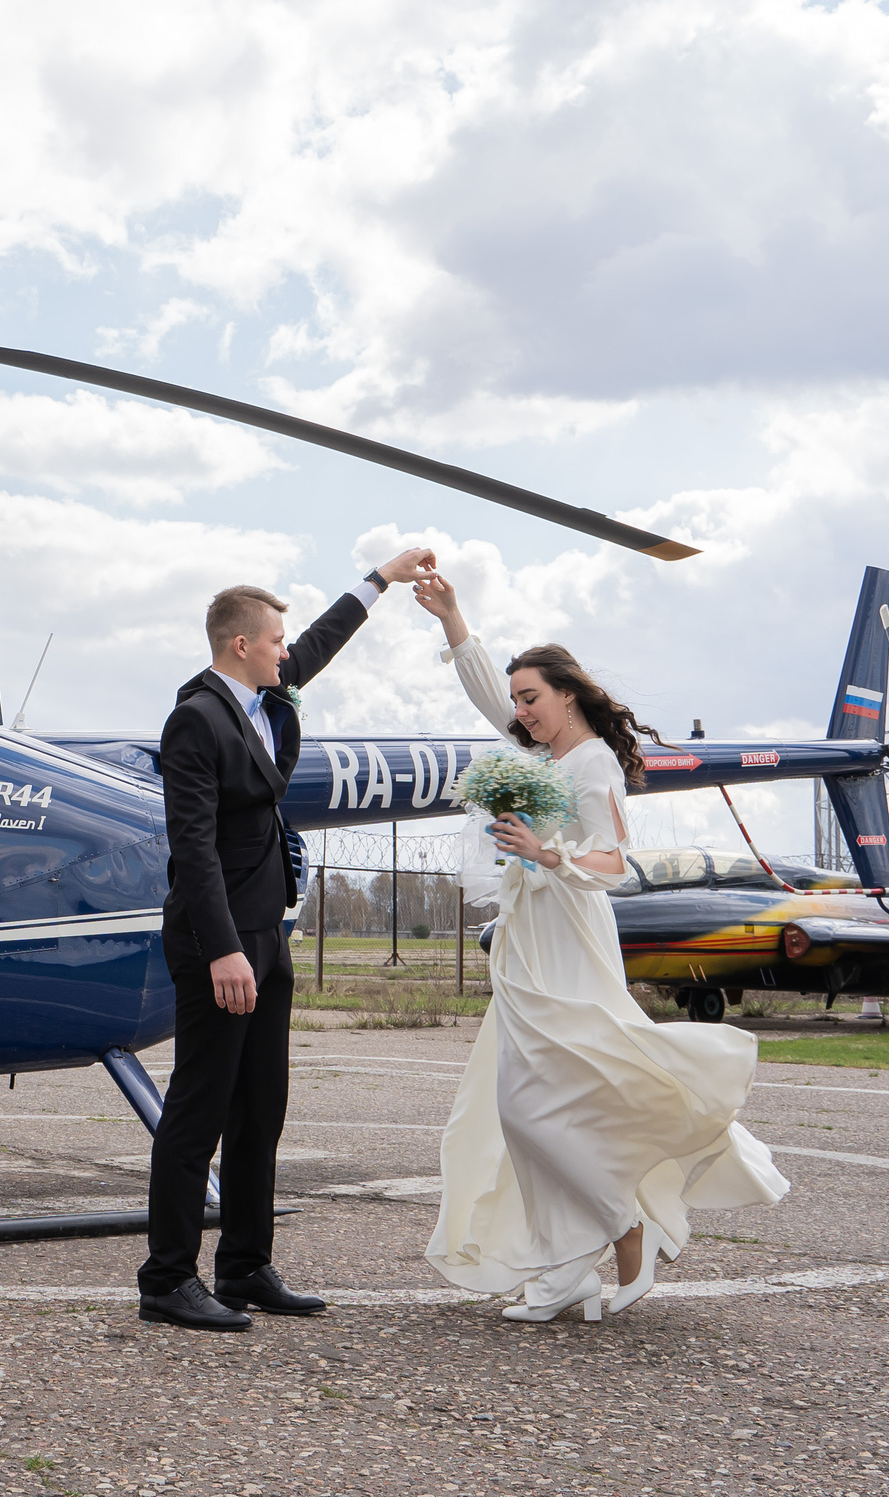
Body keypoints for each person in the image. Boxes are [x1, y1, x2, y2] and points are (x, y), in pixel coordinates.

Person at [413, 573, 789, 1322]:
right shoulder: (540, 754)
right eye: (517, 700)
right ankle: (565, 1273)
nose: (520, 711)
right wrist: (454, 618)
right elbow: (486, 694)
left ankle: (624, 1224)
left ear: (569, 695)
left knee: (533, 1107)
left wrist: (546, 853)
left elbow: (614, 863)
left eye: (531, 698)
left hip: (568, 937)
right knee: (525, 1107)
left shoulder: (592, 764)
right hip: (526, 940)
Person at [138, 549, 437, 1332]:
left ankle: (243, 1264)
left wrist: (382, 578)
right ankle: (167, 1277)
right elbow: (192, 846)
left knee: (260, 1109)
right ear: (241, 645)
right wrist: (223, 948)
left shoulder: (263, 695)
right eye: (275, 640)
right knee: (198, 1110)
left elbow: (319, 643)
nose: (286, 650)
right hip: (221, 941)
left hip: (268, 934)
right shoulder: (197, 718)